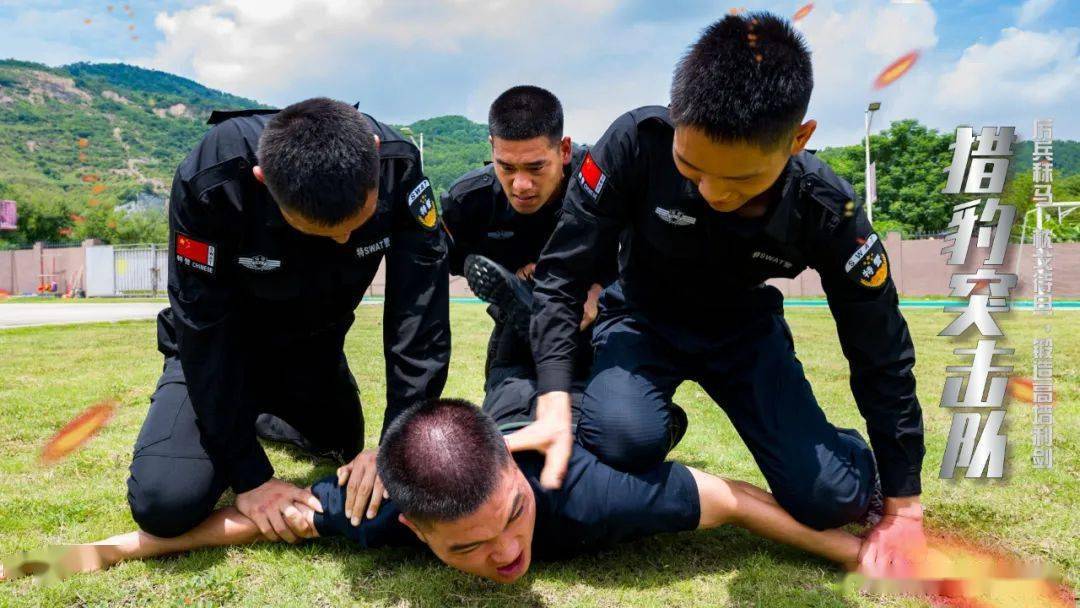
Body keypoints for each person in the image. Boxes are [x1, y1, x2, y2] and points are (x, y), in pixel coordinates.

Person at [522, 12, 926, 574]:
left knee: (830, 500)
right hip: (640, 320)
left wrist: (904, 506)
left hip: (744, 336)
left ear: (797, 140)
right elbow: (562, 276)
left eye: (739, 181)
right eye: (691, 167)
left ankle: (845, 456)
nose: (711, 192)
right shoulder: (634, 145)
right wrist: (552, 400)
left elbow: (879, 349)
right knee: (619, 439)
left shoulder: (827, 209)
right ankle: (652, 418)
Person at [15, 399, 868, 585]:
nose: (507, 555)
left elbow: (734, 499)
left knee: (634, 426)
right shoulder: (379, 509)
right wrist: (112, 548)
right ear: (415, 531)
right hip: (445, 438)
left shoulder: (589, 497)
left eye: (508, 521)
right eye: (465, 547)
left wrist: (854, 550)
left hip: (580, 424)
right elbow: (248, 523)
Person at [127, 97, 450, 544]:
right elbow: (201, 327)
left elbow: (419, 314)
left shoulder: (398, 165)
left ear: (373, 154)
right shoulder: (212, 180)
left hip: (311, 351)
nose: (343, 238)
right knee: (165, 502)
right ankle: (234, 415)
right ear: (263, 179)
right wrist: (249, 476)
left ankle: (262, 414)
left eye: (357, 224)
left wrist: (396, 441)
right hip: (222, 355)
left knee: (339, 442)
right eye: (322, 231)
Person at [441, 85, 618, 434]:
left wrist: (598, 290)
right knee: (507, 430)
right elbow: (444, 269)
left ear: (564, 150)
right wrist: (514, 279)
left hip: (598, 326)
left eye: (536, 167)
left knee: (605, 432)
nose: (520, 184)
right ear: (492, 148)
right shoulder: (468, 202)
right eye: (506, 167)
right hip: (519, 332)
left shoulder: (605, 184)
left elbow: (647, 258)